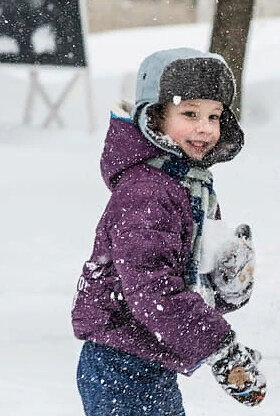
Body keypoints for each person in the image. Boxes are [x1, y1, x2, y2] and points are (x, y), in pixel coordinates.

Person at [71, 48, 266, 415]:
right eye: (189, 114)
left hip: (153, 363)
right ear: (155, 118)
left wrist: (228, 285)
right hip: (119, 366)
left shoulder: (192, 187)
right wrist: (220, 347)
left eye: (214, 116)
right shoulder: (146, 192)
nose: (204, 128)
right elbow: (151, 289)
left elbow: (188, 287)